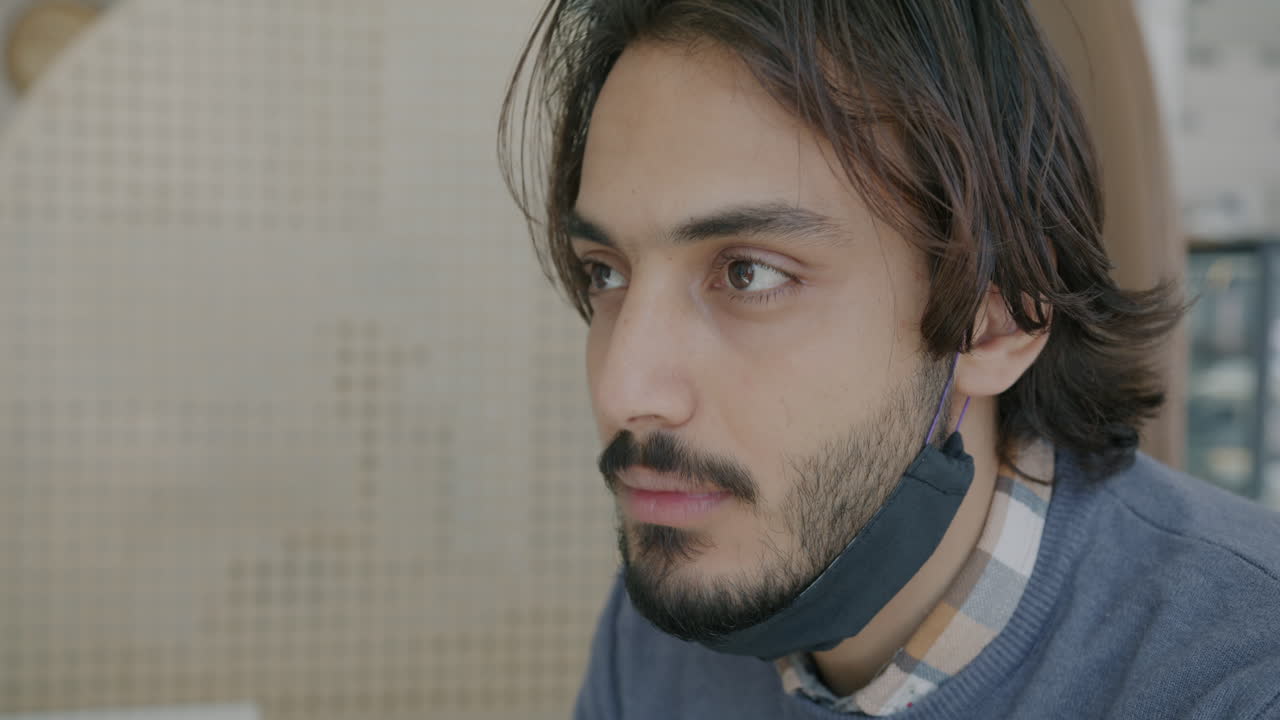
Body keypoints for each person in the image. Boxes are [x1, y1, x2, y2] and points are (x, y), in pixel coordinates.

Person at [498, 2, 1280, 718]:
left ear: (996, 320)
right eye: (606, 272)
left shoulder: (1237, 679)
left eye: (749, 274)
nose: (625, 388)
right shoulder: (671, 610)